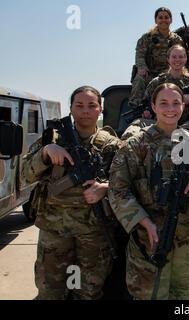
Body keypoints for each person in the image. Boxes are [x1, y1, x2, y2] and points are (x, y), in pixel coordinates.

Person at [108, 83, 189, 300]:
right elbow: (117, 189)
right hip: (149, 240)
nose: (170, 108)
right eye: (163, 103)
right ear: (153, 106)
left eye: (175, 103)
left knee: (186, 296)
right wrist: (143, 221)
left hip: (188, 242)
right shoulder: (136, 144)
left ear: (183, 106)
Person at [22, 86, 123, 300]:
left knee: (88, 292)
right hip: (55, 230)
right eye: (79, 105)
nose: (85, 110)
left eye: (91, 105)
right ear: (71, 108)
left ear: (100, 109)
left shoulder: (113, 145)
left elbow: (128, 184)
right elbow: (25, 175)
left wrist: (105, 188)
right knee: (51, 291)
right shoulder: (53, 139)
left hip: (93, 232)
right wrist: (46, 152)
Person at [144, 44, 189, 134]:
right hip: (162, 121)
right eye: (174, 57)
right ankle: (172, 133)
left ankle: (170, 133)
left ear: (186, 59)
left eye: (181, 57)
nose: (177, 60)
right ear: (168, 59)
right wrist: (147, 112)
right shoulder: (157, 82)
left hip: (186, 122)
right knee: (138, 123)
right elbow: (146, 102)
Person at [129, 7, 184, 108]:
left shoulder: (176, 40)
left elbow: (180, 58)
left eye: (166, 17)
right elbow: (140, 55)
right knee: (139, 80)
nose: (163, 20)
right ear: (156, 20)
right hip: (148, 73)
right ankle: (136, 109)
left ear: (171, 20)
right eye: (160, 17)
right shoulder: (147, 37)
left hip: (167, 73)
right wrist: (142, 68)